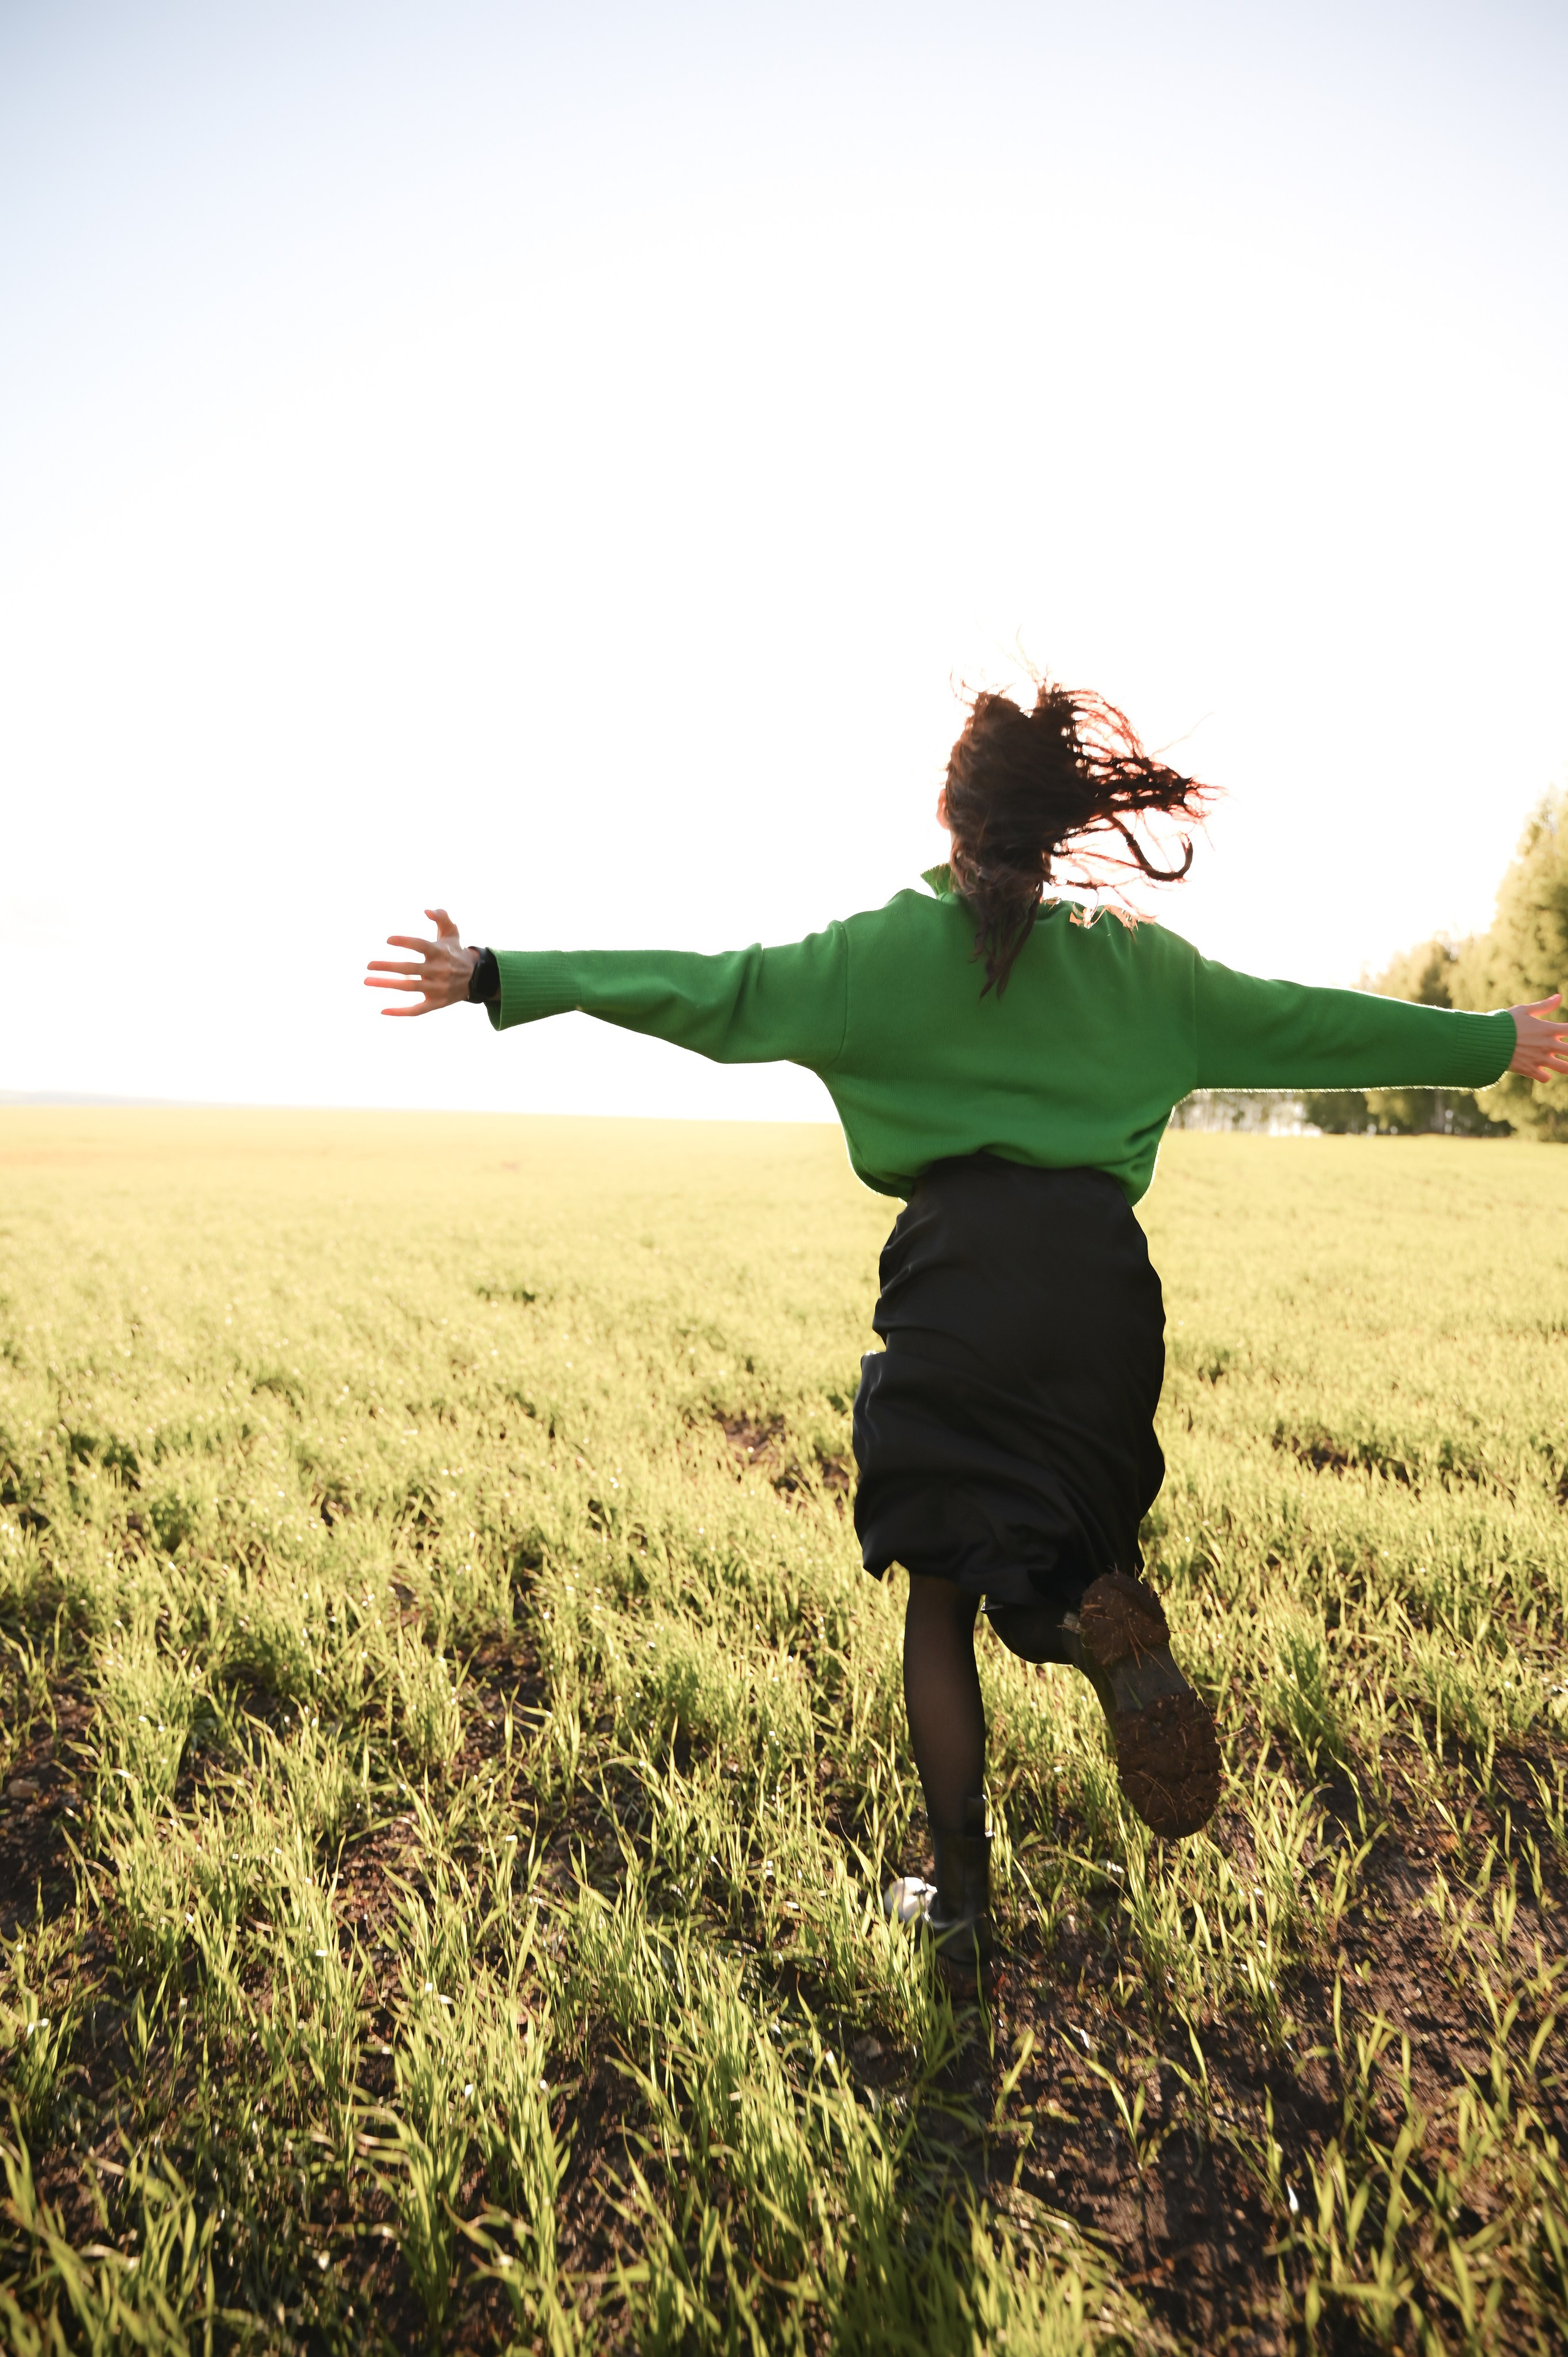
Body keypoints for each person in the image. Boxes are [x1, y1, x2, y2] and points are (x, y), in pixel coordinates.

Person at [366, 677, 1568, 1989]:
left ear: (947, 815)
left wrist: (496, 973)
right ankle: (1101, 1639)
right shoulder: (1136, 969)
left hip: (954, 1285)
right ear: (1053, 832)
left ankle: (958, 1904)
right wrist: (1490, 1039)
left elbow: (701, 992)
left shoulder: (873, 957)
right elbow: (1303, 1023)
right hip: (1100, 1300)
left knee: (938, 1592)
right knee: (1055, 1568)